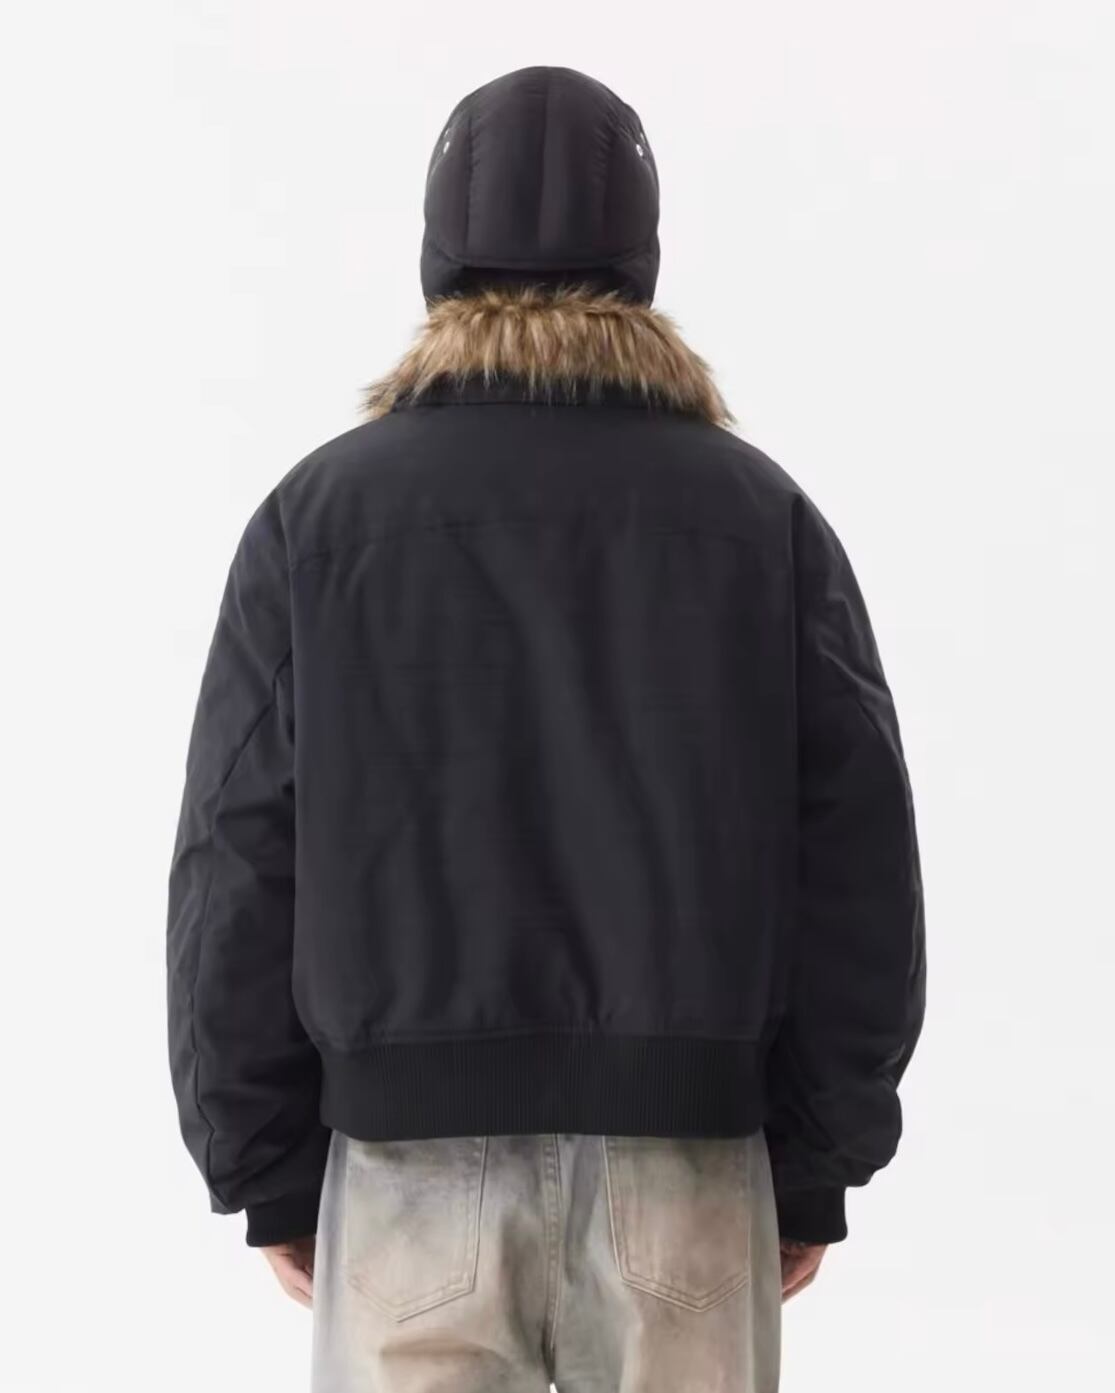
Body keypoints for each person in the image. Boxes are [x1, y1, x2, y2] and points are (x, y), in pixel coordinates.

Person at [167, 64, 926, 1392]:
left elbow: (238, 852)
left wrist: (264, 1158)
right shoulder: (759, 520)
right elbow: (858, 860)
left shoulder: (321, 522)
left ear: (437, 257)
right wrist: (816, 1156)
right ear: (640, 256)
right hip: (688, 1164)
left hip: (409, 1179)